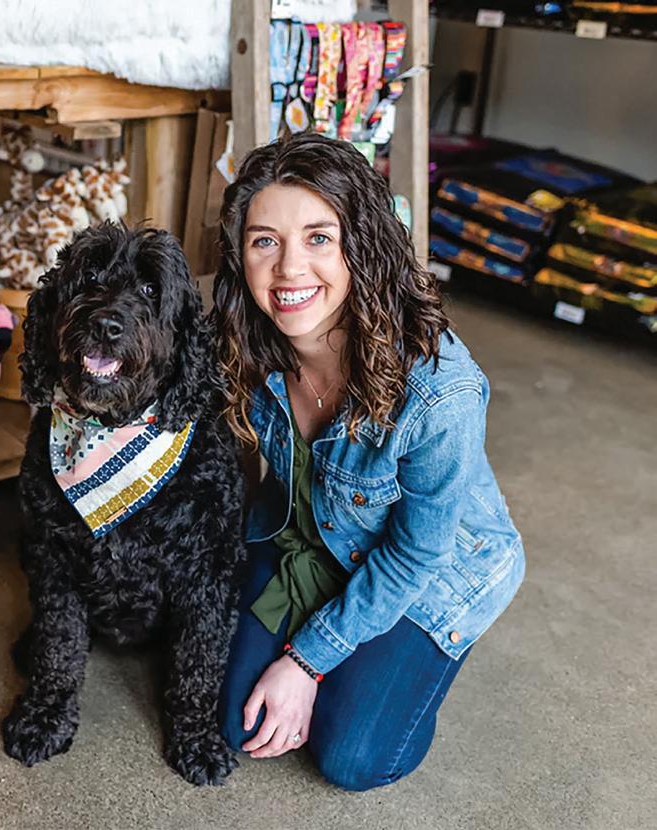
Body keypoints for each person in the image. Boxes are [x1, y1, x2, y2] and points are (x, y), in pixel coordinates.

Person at [212, 132, 525, 792]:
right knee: (235, 722)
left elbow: (417, 553)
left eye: (318, 238)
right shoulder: (248, 339)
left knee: (352, 758)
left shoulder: (440, 391)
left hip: (430, 569)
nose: (289, 268)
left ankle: (399, 663)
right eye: (265, 241)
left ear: (361, 244)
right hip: (310, 532)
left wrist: (306, 662)